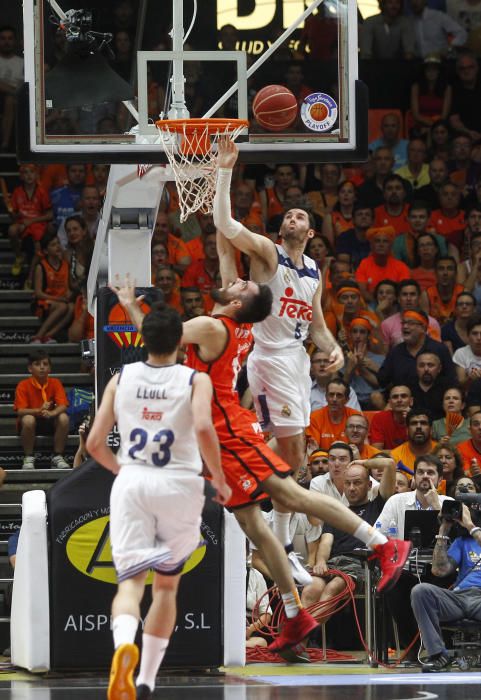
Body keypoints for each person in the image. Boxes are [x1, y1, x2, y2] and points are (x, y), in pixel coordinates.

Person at [110, 265, 411, 667]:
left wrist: (130, 305)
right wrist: (220, 207)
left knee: (292, 495)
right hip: (220, 431)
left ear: (235, 302)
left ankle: (383, 544)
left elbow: (159, 337)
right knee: (252, 523)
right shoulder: (237, 324)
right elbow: (226, 265)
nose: (234, 277)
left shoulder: (213, 326)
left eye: (239, 283)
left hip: (227, 431)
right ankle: (293, 613)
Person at [213, 137, 345, 572]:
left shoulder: (314, 272)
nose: (291, 217)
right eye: (287, 214)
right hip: (268, 357)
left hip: (297, 360)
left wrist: (335, 350)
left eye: (300, 216)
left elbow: (319, 325)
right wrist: (225, 170)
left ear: (310, 233)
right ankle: (280, 540)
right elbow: (226, 224)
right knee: (292, 450)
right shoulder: (269, 255)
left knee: (294, 457)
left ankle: (278, 532)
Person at [86, 303, 231, 700]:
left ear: (141, 341)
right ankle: (147, 680)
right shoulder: (193, 380)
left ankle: (123, 649)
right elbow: (203, 426)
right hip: (179, 484)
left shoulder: (122, 376)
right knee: (166, 587)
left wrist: (122, 471)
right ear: (182, 344)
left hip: (133, 480)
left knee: (130, 584)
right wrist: (217, 477)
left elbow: (94, 444)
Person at [302, 456, 396, 617]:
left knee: (333, 587)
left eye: (357, 482)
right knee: (311, 588)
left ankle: (298, 633)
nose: (351, 488)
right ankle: (298, 641)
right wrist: (321, 561)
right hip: (334, 564)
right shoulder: (338, 513)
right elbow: (326, 542)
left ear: (369, 485)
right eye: (348, 483)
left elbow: (389, 464)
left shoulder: (380, 505)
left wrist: (362, 463)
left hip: (363, 567)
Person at [410, 503, 481, 672]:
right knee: (420, 591)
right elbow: (439, 570)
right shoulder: (463, 542)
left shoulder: (473, 532)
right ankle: (438, 654)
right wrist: (443, 530)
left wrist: (471, 526)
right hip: (459, 597)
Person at [13, 349, 70, 470]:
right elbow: (20, 411)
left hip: (49, 421)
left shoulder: (55, 383)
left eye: (45, 364)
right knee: (28, 419)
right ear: (30, 368)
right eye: (37, 364)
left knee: (64, 418)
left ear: (50, 368)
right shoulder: (23, 385)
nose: (42, 367)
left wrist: (52, 413)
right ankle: (28, 457)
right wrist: (38, 411)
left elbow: (63, 405)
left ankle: (57, 456)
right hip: (29, 424)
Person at [378, 307, 455, 388]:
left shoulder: (439, 350)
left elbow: (451, 381)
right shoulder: (395, 352)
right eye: (403, 323)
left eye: (410, 323)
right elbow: (382, 380)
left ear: (423, 328)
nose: (405, 326)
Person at [8, 164, 52, 276]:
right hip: (22, 223)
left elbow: (50, 215)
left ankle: (30, 277)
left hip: (37, 224)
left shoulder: (42, 191)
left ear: (37, 175)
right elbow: (14, 216)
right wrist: (12, 213)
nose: (29, 175)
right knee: (12, 230)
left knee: (37, 248)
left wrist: (31, 222)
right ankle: (19, 257)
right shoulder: (17, 192)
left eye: (31, 172)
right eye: (25, 173)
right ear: (21, 176)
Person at [31, 233, 74, 344]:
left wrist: (69, 294)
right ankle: (39, 336)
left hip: (59, 301)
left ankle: (48, 335)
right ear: (45, 251)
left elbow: (68, 287)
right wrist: (59, 299)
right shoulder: (41, 266)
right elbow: (38, 293)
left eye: (58, 243)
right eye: (53, 245)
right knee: (63, 306)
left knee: (71, 307)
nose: (58, 246)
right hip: (42, 302)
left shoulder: (65, 265)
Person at [355, 226, 411, 301]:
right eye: (377, 241)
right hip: (370, 305)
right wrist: (378, 305)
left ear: (391, 246)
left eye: (385, 241)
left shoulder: (401, 267)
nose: (381, 244)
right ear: (371, 246)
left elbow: (403, 292)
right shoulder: (364, 264)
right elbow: (362, 291)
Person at [381, 279, 441, 348]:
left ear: (419, 298)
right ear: (398, 299)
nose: (408, 298)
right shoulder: (387, 324)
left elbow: (437, 350)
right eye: (404, 294)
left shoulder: (432, 323)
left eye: (412, 294)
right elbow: (385, 355)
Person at [307, 379, 362, 451]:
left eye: (339, 395)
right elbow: (314, 449)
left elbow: (361, 446)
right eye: (331, 394)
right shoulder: (315, 417)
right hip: (324, 460)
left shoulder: (356, 416)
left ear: (347, 399)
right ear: (326, 397)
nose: (334, 399)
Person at [409, 56, 452, 132]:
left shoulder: (447, 88)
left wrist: (434, 126)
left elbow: (444, 115)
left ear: (439, 71)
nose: (431, 73)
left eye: (434, 70)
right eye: (428, 70)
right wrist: (431, 125)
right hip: (420, 124)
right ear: (424, 72)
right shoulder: (416, 87)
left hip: (439, 125)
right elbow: (416, 115)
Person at [408, 352, 455, 420]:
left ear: (439, 368)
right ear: (416, 368)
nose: (426, 369)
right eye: (421, 365)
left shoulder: (448, 389)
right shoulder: (408, 389)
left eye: (430, 365)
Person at [369, 384, 412, 449]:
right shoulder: (379, 418)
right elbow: (376, 451)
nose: (399, 400)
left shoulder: (419, 418)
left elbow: (420, 449)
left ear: (411, 401)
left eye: (403, 396)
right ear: (390, 403)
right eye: (395, 397)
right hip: (387, 459)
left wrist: (410, 422)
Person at [453, 314, 481, 386]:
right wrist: (470, 378)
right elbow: (460, 383)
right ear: (468, 336)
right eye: (475, 333)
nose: (479, 338)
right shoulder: (461, 353)